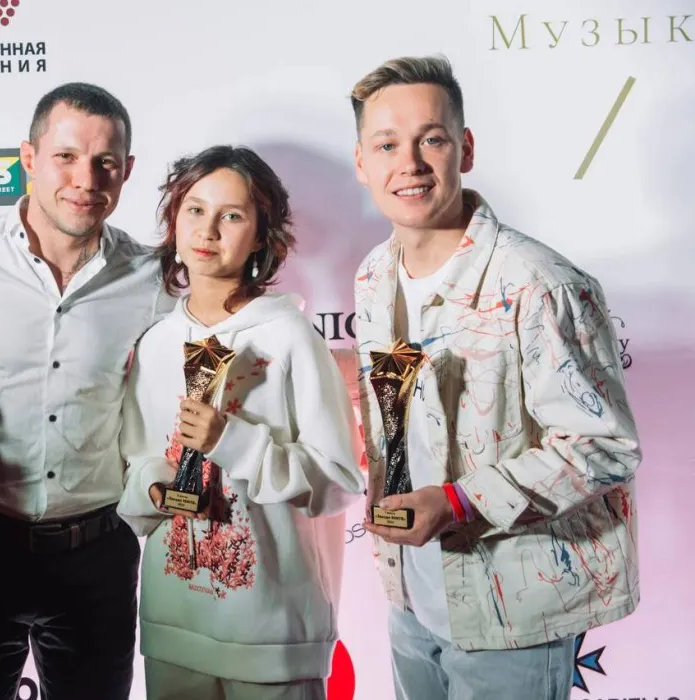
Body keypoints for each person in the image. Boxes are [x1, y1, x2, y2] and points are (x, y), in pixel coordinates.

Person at [349, 55, 641, 700]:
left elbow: (604, 447)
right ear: (362, 162)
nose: (410, 163)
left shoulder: (539, 283)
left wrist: (459, 502)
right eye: (387, 145)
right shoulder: (373, 276)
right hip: (410, 597)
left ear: (466, 148)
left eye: (431, 139)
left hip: (514, 610)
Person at [0, 82, 173, 700]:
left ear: (127, 169)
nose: (87, 179)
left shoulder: (151, 277)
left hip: (98, 554)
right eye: (66, 157)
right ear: (28, 158)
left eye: (106, 162)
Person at [116, 145, 366, 700]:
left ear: (260, 236)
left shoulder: (290, 336)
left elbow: (338, 479)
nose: (208, 230)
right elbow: (135, 463)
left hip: (274, 635)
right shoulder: (155, 343)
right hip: (174, 628)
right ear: (174, 220)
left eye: (231, 215)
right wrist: (155, 487)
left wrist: (231, 442)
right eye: (195, 210)